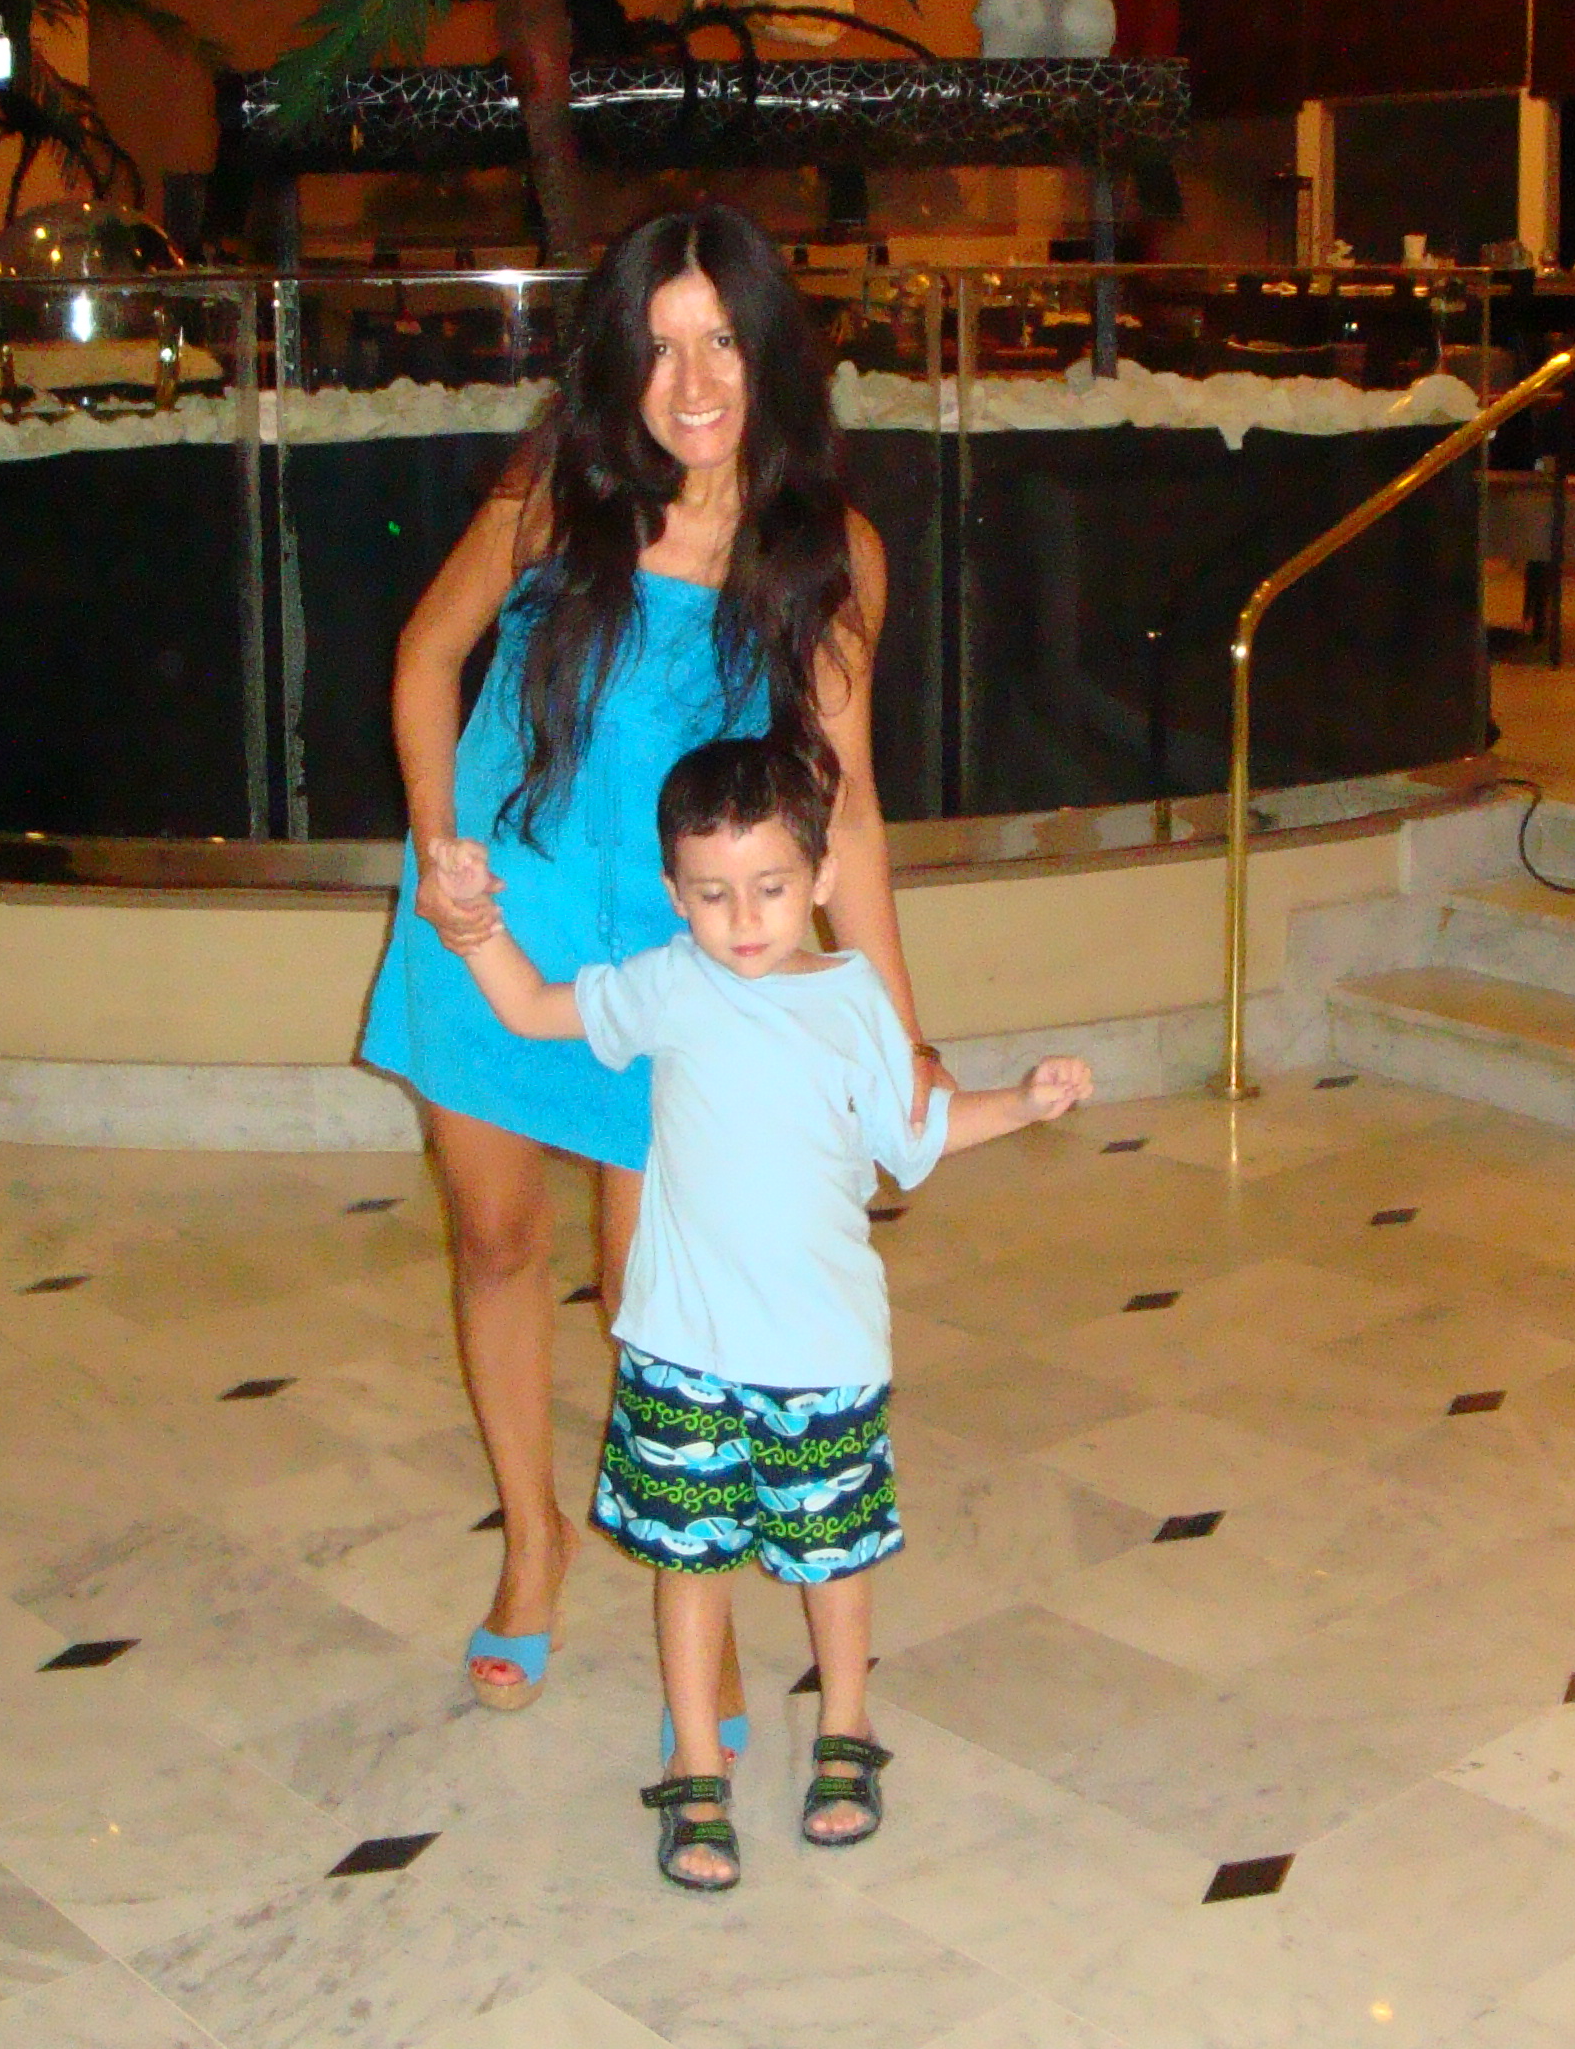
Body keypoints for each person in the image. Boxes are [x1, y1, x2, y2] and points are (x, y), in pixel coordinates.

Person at [359, 205, 947, 1727]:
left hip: (688, 965)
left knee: (660, 1301)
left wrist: (894, 1033)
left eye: (724, 343)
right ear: (621, 361)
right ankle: (533, 1546)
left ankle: (701, 1610)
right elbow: (425, 659)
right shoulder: (557, 495)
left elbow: (847, 810)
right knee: (497, 1243)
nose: (694, 384)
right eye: (663, 346)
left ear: (773, 356)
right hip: (500, 924)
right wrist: (438, 844)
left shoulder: (831, 555)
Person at [437, 733, 1090, 1888]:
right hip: (680, 1351)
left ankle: (845, 1726)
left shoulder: (854, 1002)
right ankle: (695, 1760)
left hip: (822, 1350)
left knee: (834, 1558)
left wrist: (1021, 1104)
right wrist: (475, 929)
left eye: (772, 888)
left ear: (822, 876)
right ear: (673, 891)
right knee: (690, 1563)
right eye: (712, 894)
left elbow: (913, 1141)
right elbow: (534, 1009)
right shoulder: (666, 984)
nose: (743, 920)